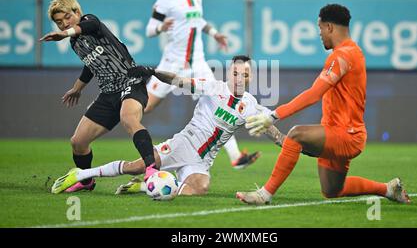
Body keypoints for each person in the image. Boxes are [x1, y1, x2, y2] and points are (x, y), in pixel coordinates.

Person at [236, 4, 411, 205]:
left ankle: (264, 195)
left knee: (296, 134)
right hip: (339, 133)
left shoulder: (342, 55)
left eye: (320, 28)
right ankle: (388, 189)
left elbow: (314, 94)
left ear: (329, 27)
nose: (319, 34)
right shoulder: (352, 52)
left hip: (346, 135)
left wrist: (273, 115)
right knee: (332, 189)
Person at [50, 56, 284, 195]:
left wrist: (288, 144)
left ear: (251, 78)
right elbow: (178, 81)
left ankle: (144, 187)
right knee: (136, 166)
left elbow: (270, 128)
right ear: (229, 73)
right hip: (183, 144)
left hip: (203, 161)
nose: (239, 78)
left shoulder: (251, 105)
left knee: (200, 189)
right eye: (235, 72)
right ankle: (82, 173)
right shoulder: (213, 87)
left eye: (244, 74)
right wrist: (153, 72)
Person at [144, 0, 261, 170]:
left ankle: (236, 158)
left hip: (197, 61)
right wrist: (161, 28)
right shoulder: (164, 1)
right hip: (173, 62)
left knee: (221, 100)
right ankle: (116, 116)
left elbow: (198, 21)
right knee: (146, 106)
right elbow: (149, 30)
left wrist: (214, 33)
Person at [40, 0, 158, 193]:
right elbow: (90, 65)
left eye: (67, 18)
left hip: (131, 82)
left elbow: (88, 27)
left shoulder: (90, 21)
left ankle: (152, 170)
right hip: (108, 94)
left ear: (77, 12)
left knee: (128, 119)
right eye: (59, 22)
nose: (63, 24)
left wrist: (65, 32)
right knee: (78, 142)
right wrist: (77, 88)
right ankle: (86, 181)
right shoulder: (75, 43)